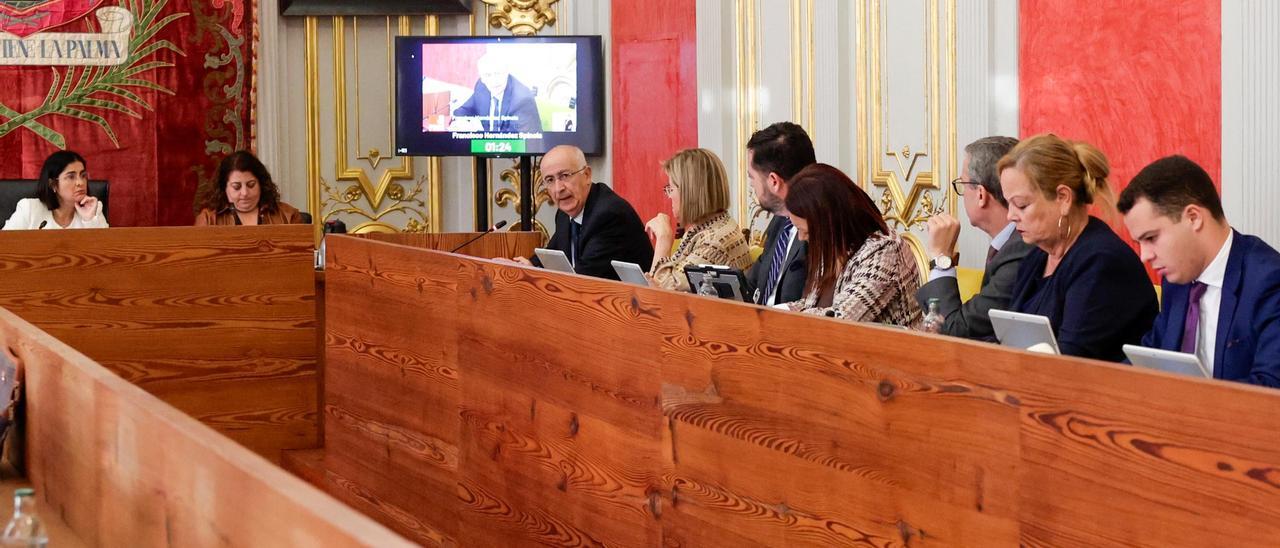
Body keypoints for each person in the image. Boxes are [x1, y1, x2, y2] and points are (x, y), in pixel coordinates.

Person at [1119, 156, 1280, 387]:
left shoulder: (1269, 282)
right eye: (1139, 243)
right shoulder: (1177, 278)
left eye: (1151, 238)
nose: (1145, 256)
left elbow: (1270, 390)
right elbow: (1151, 357)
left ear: (1193, 218)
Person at [999, 134, 1157, 362]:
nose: (1011, 216)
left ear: (1063, 198)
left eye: (1021, 205)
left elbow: (1070, 362)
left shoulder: (1102, 262)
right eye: (1008, 203)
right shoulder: (1035, 258)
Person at [916, 136, 1032, 339]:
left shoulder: (1021, 249)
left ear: (981, 194)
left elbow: (954, 330)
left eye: (962, 183)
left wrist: (941, 258)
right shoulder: (1009, 243)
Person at [783, 164, 922, 327]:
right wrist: (778, 311)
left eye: (805, 230)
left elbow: (840, 321)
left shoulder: (885, 253)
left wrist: (783, 317)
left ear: (828, 223)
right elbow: (811, 305)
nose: (801, 238)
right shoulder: (835, 244)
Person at [510, 145, 653, 280]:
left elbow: (585, 277)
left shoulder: (609, 214)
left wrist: (534, 274)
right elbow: (551, 255)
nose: (558, 188)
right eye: (550, 180)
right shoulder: (564, 215)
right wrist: (524, 266)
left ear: (587, 175)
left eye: (565, 175)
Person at [644, 148, 751, 291]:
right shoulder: (706, 226)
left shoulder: (714, 241)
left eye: (671, 189)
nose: (669, 196)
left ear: (689, 192)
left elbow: (662, 296)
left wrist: (663, 239)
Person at [742, 122, 817, 305]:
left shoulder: (820, 229)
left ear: (774, 181)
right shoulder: (779, 221)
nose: (751, 185)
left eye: (752, 177)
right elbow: (752, 286)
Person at [3, 150, 108, 230]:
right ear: (53, 184)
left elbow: (107, 251)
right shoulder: (29, 209)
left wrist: (89, 220)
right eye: (71, 177)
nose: (80, 182)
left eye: (83, 175)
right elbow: (4, 247)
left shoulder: (94, 209)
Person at [194, 150, 305, 226]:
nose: (245, 193)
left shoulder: (289, 215)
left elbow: (302, 258)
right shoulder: (208, 220)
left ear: (261, 184)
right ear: (224, 188)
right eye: (236, 187)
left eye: (251, 185)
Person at [452, 51, 542, 133]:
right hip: (485, 148)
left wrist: (476, 133)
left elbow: (514, 139)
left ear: (506, 72)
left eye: (498, 73)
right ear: (481, 78)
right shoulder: (481, 86)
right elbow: (463, 110)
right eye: (487, 75)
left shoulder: (522, 99)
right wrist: (462, 122)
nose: (494, 80)